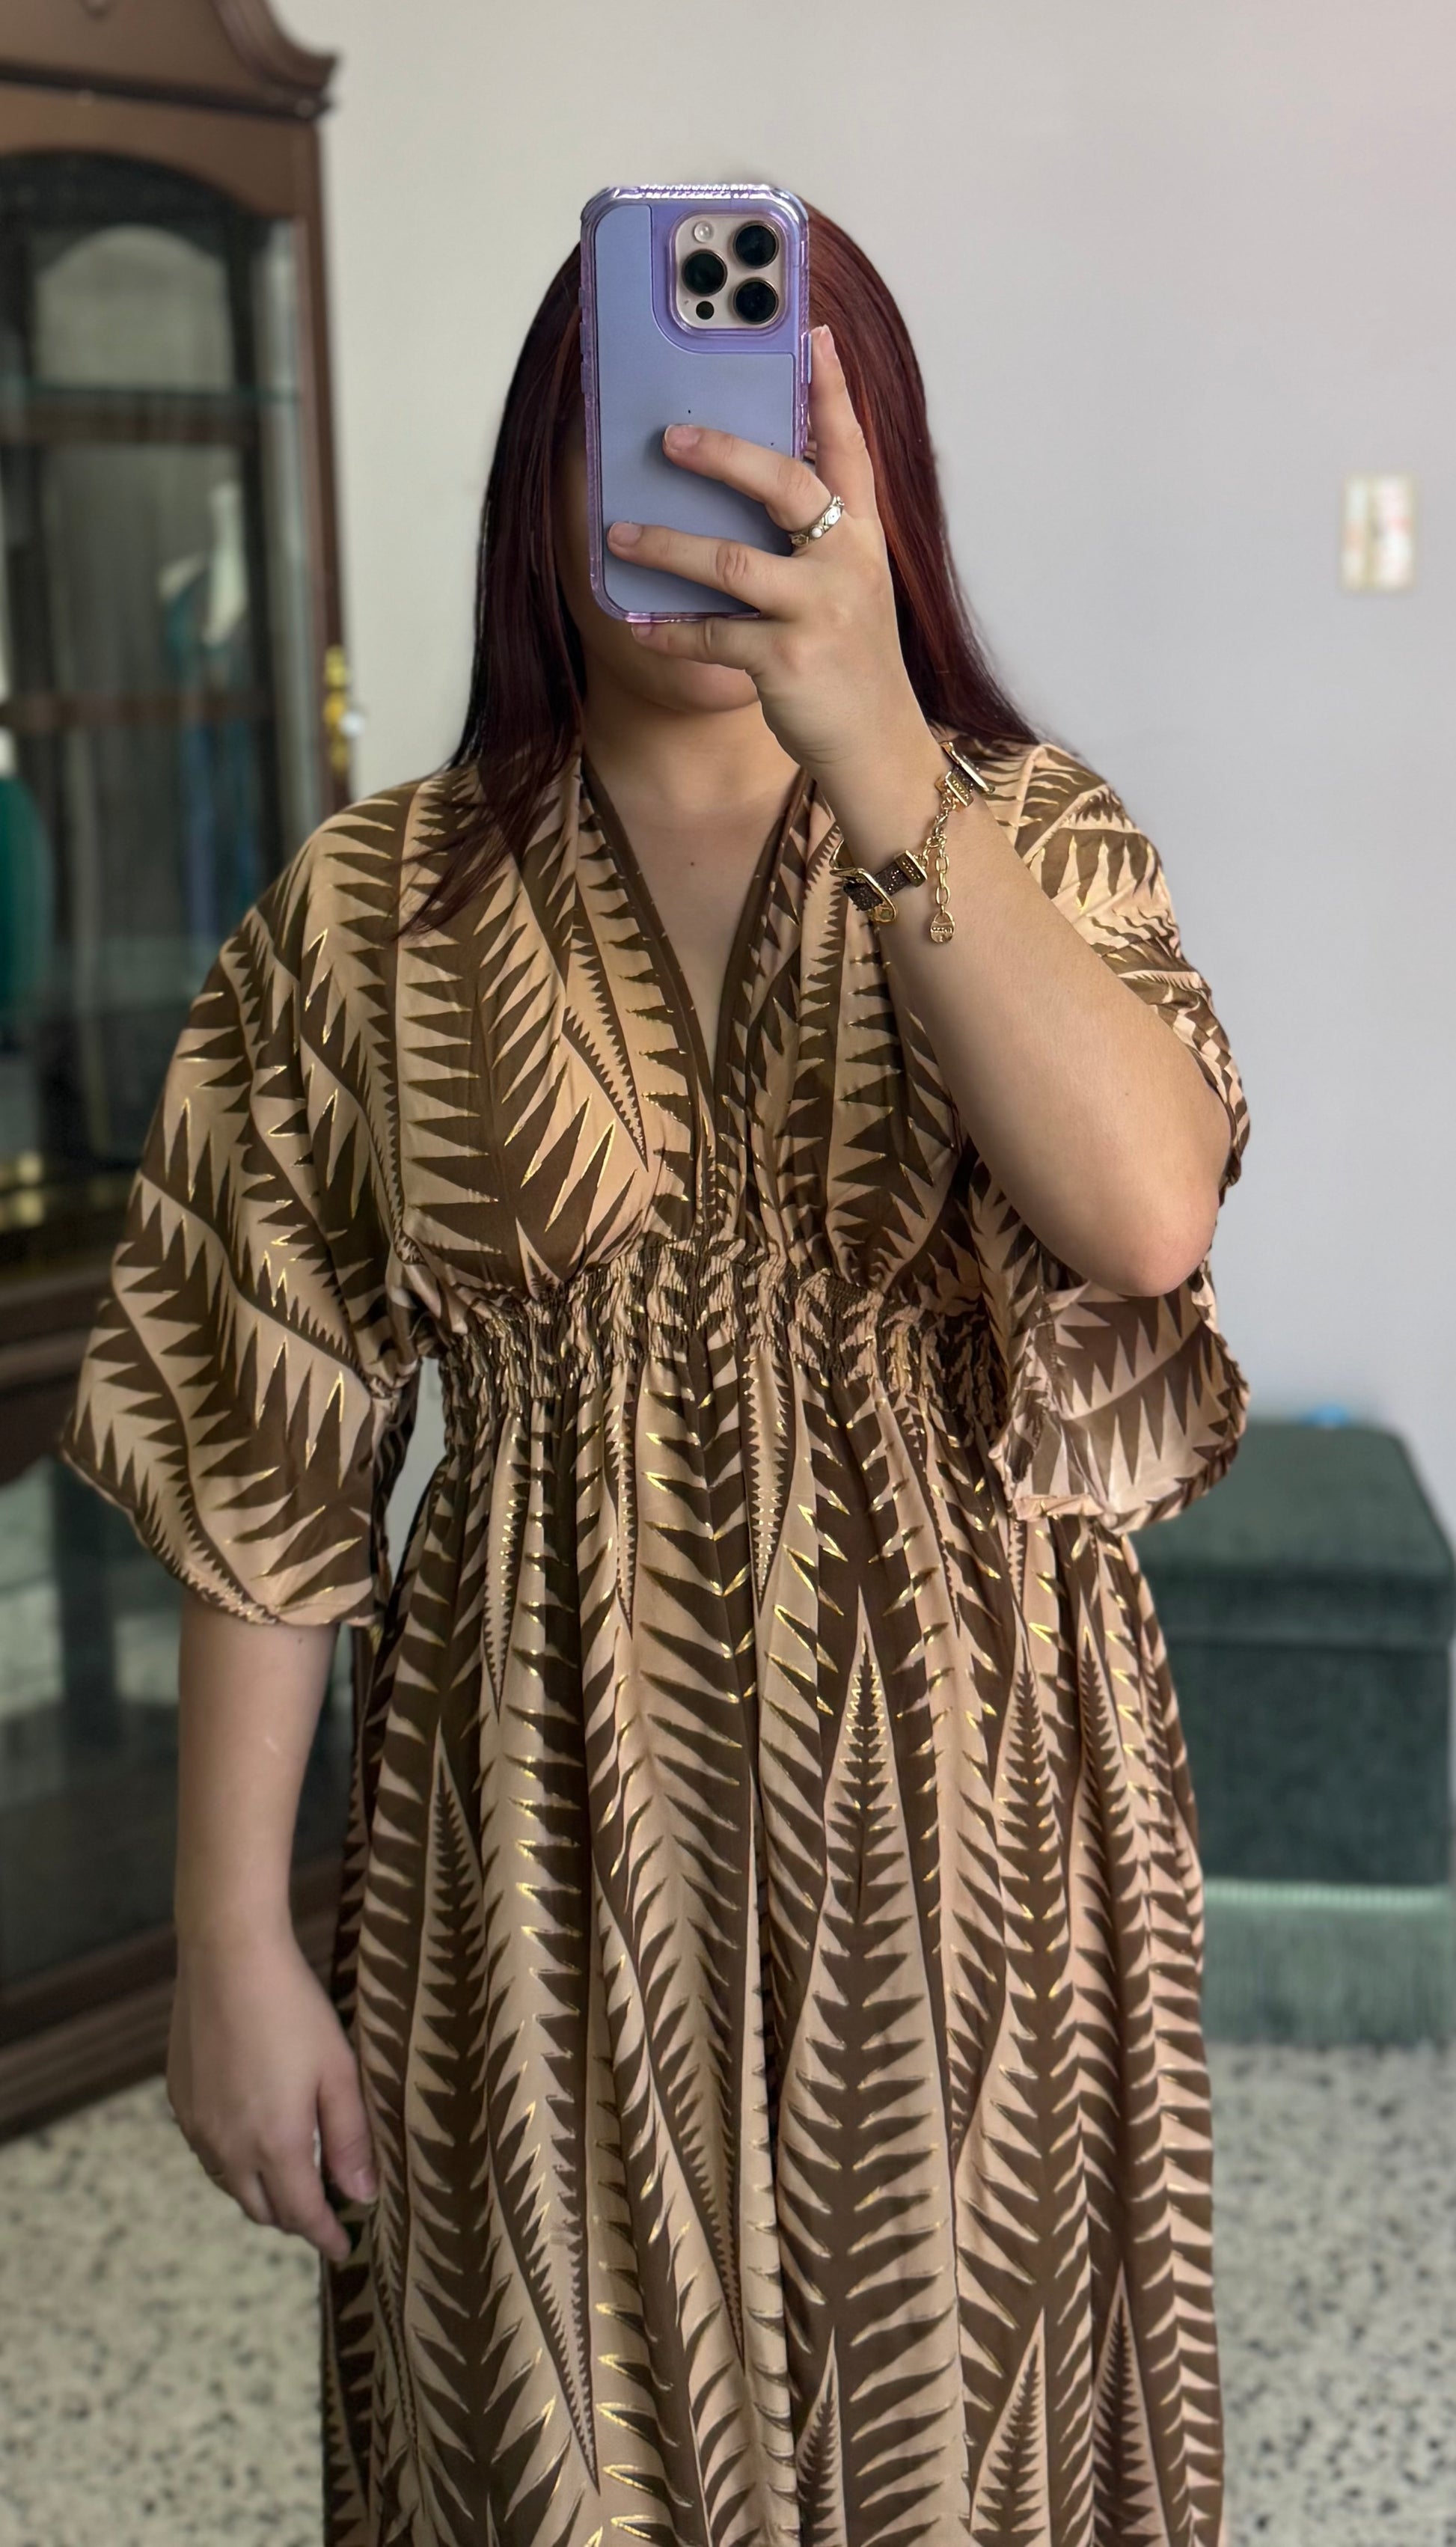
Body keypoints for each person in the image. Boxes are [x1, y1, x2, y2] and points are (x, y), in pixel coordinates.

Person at [64, 207, 1248, 2547]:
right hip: (531, 1837)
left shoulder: (1029, 835)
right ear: (550, 468)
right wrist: (229, 1939)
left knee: (968, 2450)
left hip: (975, 1850)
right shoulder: (373, 906)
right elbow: (254, 1447)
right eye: (648, 422)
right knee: (553, 2447)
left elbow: (1143, 1218)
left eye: (777, 434)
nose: (708, 475)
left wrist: (877, 751)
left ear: (879, 482)